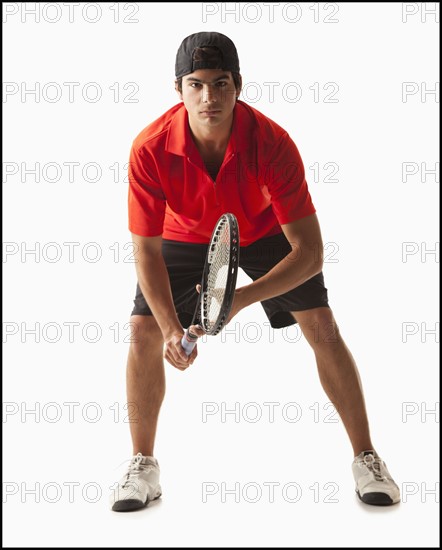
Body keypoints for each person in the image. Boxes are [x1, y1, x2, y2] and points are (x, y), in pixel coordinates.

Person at [110, 31, 400, 512]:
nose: (210, 97)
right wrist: (169, 329)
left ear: (238, 85)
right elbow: (145, 252)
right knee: (142, 331)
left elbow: (309, 252)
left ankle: (366, 457)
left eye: (221, 83)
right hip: (183, 233)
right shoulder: (149, 148)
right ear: (178, 89)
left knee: (323, 328)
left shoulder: (272, 142)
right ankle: (142, 464)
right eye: (196, 84)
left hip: (264, 230)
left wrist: (238, 298)